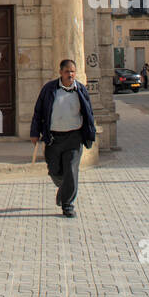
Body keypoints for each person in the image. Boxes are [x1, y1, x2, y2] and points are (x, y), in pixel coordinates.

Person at [30, 58, 96, 218]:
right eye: (67, 71)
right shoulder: (49, 89)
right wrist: (34, 132)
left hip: (74, 137)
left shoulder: (80, 90)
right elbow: (38, 112)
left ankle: (67, 204)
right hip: (53, 138)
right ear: (60, 72)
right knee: (54, 170)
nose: (70, 74)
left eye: (72, 71)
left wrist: (90, 133)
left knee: (71, 171)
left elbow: (88, 112)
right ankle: (63, 188)